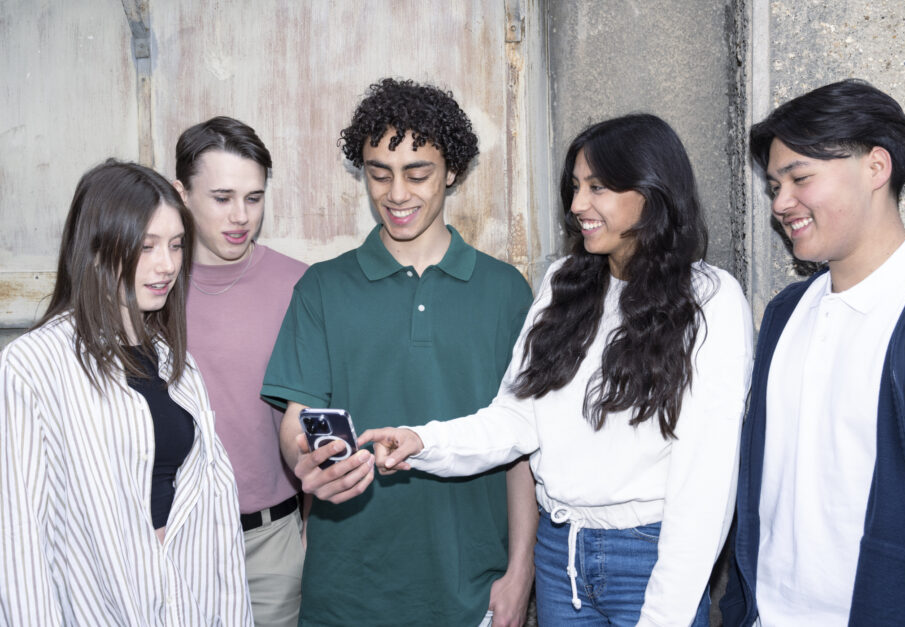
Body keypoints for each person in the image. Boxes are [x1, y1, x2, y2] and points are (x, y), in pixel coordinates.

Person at [362, 113, 754, 626]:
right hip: (558, 556)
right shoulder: (565, 282)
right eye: (574, 187)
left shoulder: (709, 298)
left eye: (597, 188)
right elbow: (517, 420)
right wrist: (423, 441)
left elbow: (707, 481)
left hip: (649, 557)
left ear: (652, 191)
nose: (576, 206)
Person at [261, 78, 537, 627]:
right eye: (378, 173)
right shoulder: (322, 288)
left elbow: (523, 442)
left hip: (473, 590)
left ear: (452, 171)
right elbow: (296, 419)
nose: (396, 194)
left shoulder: (507, 290)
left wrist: (520, 573)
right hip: (347, 591)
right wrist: (305, 461)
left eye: (418, 173)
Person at [720, 78, 905, 626]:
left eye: (800, 178)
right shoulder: (785, 312)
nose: (781, 203)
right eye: (774, 185)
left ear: (876, 167)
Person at [0, 160, 251, 625]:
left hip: (187, 600)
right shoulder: (34, 365)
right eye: (146, 246)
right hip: (100, 606)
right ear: (96, 248)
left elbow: (215, 517)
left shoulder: (177, 361)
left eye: (176, 246)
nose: (168, 265)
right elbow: (19, 540)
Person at [173, 116, 307, 627]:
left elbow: (318, 419)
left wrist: (308, 536)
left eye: (254, 198)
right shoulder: (150, 288)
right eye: (223, 197)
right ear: (181, 193)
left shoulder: (301, 285)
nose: (241, 216)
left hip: (272, 543)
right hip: (173, 539)